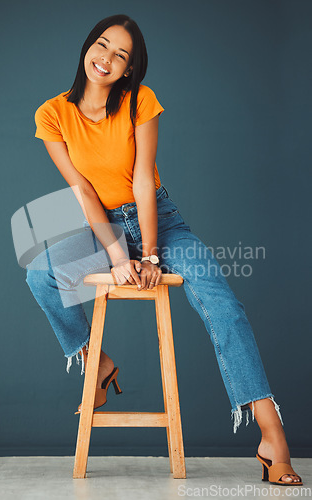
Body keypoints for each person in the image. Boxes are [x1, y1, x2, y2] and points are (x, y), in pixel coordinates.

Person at [26, 14, 302, 485]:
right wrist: (118, 255)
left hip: (159, 221)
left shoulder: (139, 101)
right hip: (102, 227)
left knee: (222, 303)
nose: (106, 59)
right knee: (40, 274)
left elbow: (141, 181)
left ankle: (270, 432)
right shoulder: (52, 114)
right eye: (102, 45)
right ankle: (98, 361)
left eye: (121, 55)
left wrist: (149, 253)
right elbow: (84, 193)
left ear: (129, 69)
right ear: (87, 46)